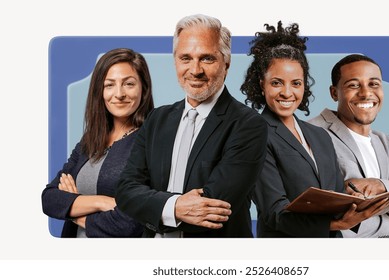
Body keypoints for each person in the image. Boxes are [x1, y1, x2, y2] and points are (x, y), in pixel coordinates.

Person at [115, 14, 267, 238]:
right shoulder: (157, 119)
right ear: (175, 60)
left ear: (226, 63)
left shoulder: (248, 125)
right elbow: (126, 192)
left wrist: (153, 207)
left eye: (207, 59)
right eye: (185, 58)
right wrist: (176, 208)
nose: (195, 70)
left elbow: (213, 210)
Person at [240, 21, 389, 237]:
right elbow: (274, 212)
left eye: (296, 83)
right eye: (276, 83)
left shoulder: (318, 135)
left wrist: (365, 199)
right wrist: (337, 224)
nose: (287, 92)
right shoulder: (254, 135)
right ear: (261, 84)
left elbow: (337, 198)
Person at [308, 54, 389, 237]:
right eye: (353, 85)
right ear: (334, 92)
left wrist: (381, 186)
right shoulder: (312, 133)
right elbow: (317, 207)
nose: (366, 93)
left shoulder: (385, 143)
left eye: (374, 84)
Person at [42, 48, 154, 237]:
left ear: (143, 89)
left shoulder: (152, 140)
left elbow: (132, 222)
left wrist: (75, 211)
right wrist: (102, 202)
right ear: (99, 91)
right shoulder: (89, 140)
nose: (119, 94)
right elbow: (50, 199)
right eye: (109, 85)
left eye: (128, 84)